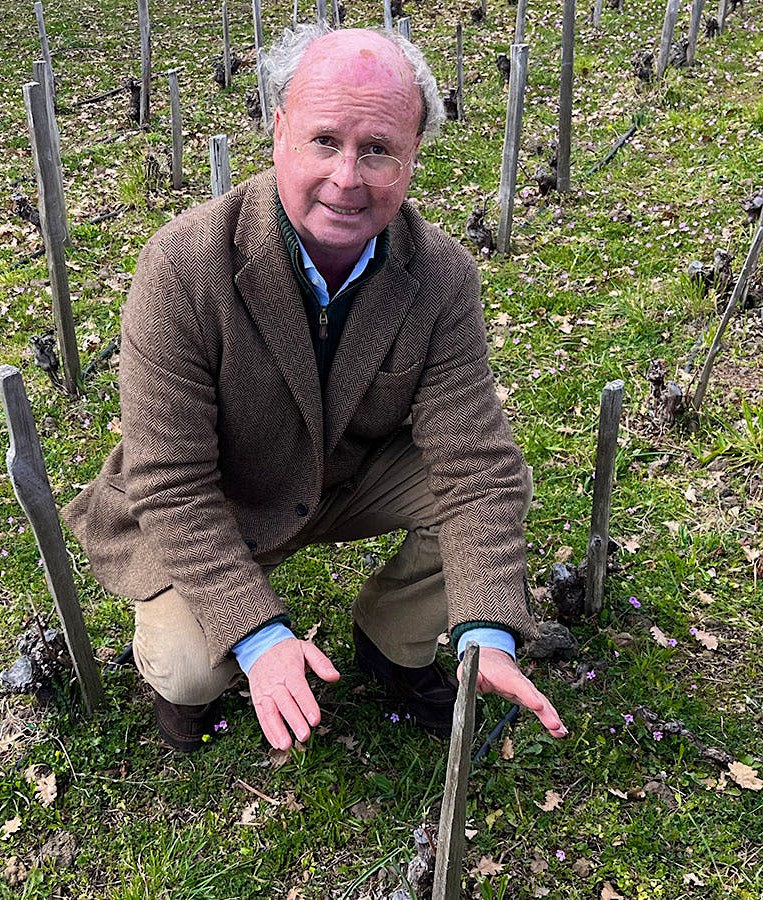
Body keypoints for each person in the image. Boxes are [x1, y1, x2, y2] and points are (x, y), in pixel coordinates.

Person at [65, 24, 568, 753]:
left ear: (413, 157)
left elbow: (475, 468)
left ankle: (394, 640)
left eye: (378, 150)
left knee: (502, 481)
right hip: (222, 497)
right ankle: (206, 661)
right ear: (278, 135)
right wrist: (259, 635)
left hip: (347, 476)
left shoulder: (443, 276)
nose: (346, 177)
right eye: (324, 140)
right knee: (188, 671)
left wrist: (487, 623)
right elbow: (170, 484)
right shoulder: (182, 267)